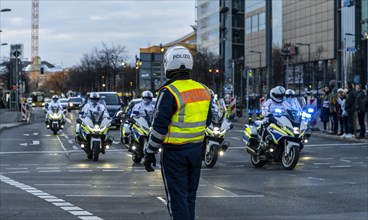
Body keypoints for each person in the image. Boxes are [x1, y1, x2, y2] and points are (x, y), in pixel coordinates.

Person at [143, 45, 212, 220]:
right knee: (190, 197)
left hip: (174, 153)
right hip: (196, 150)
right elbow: (208, 120)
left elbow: (159, 128)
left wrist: (150, 152)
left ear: (169, 65)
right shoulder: (204, 90)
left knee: (177, 199)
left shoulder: (169, 92)